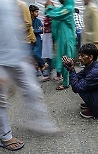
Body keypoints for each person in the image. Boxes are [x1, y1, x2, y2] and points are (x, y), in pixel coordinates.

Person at [0, 1, 59, 151]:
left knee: (33, 88)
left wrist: (25, 53)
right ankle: (5, 136)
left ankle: (39, 120)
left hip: (16, 54)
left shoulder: (13, 2)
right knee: (1, 99)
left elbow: (14, 28)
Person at [62, 43, 98, 118]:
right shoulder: (91, 66)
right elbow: (76, 77)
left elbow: (76, 88)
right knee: (81, 82)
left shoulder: (95, 72)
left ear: (90, 57)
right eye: (79, 55)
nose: (80, 58)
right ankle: (93, 103)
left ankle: (96, 109)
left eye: (82, 56)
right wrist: (70, 66)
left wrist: (71, 69)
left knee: (81, 87)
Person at [45, 0, 76, 90]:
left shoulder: (68, 8)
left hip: (66, 39)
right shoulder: (63, 8)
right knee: (62, 58)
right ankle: (67, 79)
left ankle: (66, 83)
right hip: (62, 38)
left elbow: (55, 15)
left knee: (66, 59)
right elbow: (55, 13)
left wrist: (50, 7)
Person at [29, 5, 48, 76]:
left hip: (37, 39)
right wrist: (35, 30)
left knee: (35, 53)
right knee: (32, 55)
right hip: (29, 39)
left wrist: (33, 30)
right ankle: (39, 69)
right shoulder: (28, 20)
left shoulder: (38, 21)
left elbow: (41, 30)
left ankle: (44, 65)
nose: (38, 13)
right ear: (31, 12)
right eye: (36, 12)